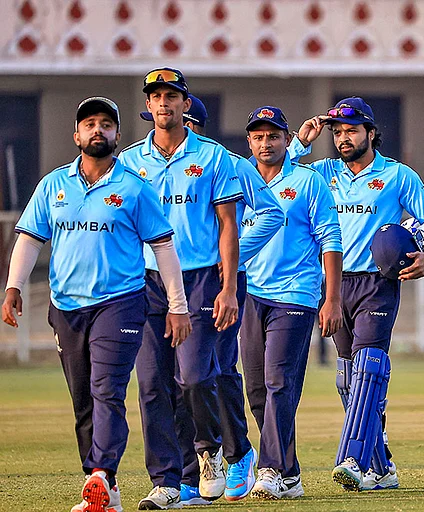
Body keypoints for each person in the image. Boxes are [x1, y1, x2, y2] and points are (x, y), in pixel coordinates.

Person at [2, 97, 191, 512]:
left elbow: (163, 247)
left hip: (120, 304)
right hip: (66, 307)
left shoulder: (134, 187)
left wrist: (177, 306)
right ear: (76, 135)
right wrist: (14, 286)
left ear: (117, 135)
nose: (98, 130)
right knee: (83, 397)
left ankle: (100, 473)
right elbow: (31, 238)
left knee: (107, 391)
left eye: (106, 124)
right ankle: (107, 489)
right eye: (89, 124)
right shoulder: (53, 185)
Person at [293, 96, 424, 491]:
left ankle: (354, 457)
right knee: (347, 378)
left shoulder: (397, 176)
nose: (343, 138)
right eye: (338, 132)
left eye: (351, 130)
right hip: (334, 282)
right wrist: (300, 142)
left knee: (369, 367)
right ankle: (382, 465)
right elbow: (276, 179)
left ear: (371, 132)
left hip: (378, 283)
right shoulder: (321, 171)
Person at [140, 95, 285, 504]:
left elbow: (272, 214)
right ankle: (189, 472)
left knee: (208, 372)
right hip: (162, 282)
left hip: (214, 282)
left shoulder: (227, 162)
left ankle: (235, 453)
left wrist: (232, 264)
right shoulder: (146, 162)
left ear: (194, 123)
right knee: (176, 379)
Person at [118, 68, 243, 509]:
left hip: (201, 278)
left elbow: (229, 227)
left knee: (192, 375)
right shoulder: (130, 163)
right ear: (149, 106)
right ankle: (168, 480)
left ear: (186, 104)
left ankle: (208, 450)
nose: (165, 103)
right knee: (152, 383)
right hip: (148, 282)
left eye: (173, 96)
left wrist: (229, 288)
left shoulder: (214, 157)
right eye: (156, 97)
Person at [238, 105, 343, 500]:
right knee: (257, 390)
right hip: (250, 293)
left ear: (286, 140)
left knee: (279, 381)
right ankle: (290, 472)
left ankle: (268, 471)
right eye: (259, 137)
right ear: (249, 141)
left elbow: (330, 239)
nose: (266, 144)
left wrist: (331, 298)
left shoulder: (308, 180)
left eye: (274, 136)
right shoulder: (236, 177)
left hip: (296, 293)